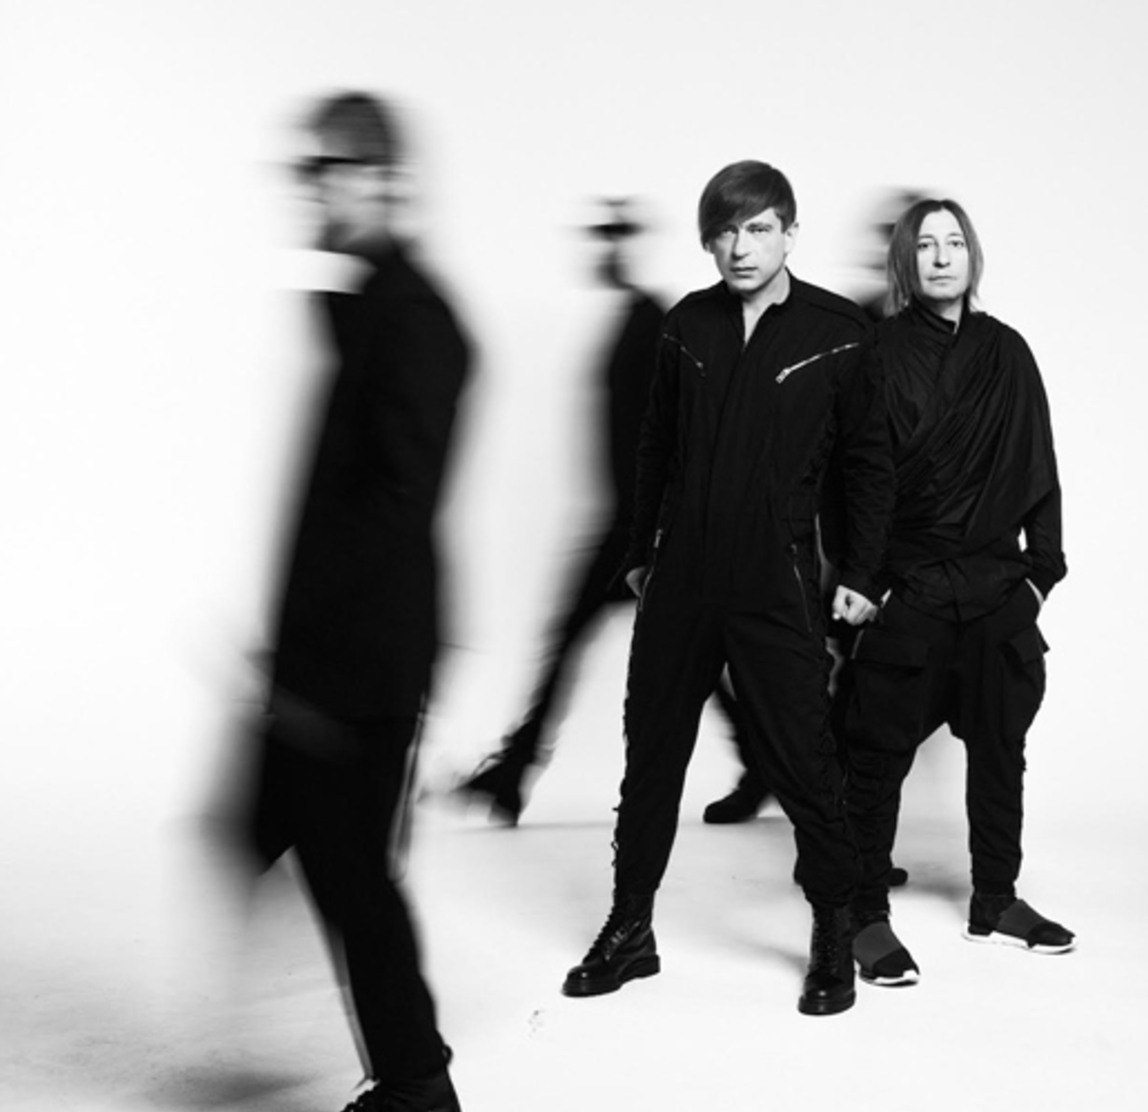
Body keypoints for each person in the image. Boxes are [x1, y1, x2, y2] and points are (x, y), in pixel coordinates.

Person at [561, 160, 885, 1016]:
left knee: (804, 763)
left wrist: (859, 573)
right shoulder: (686, 326)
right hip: (682, 581)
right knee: (651, 758)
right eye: (725, 232)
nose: (740, 247)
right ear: (708, 241)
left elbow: (866, 464)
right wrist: (641, 552)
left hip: (776, 579)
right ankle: (631, 928)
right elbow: (655, 446)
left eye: (758, 228)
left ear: (789, 233)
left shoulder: (838, 331)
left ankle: (832, 932)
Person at [246, 91, 469, 1112]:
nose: (315, 193)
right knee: (318, 852)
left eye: (331, 173)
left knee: (350, 871)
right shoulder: (373, 299)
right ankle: (413, 1074)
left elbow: (391, 508)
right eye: (309, 174)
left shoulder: (413, 318)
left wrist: (319, 671)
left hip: (362, 660)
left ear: (385, 182)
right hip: (334, 653)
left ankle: (417, 1080)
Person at [453, 200, 766, 827]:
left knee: (624, 646)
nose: (606, 250)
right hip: (632, 524)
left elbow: (685, 431)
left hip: (641, 530)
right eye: (601, 238)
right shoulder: (635, 320)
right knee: (679, 653)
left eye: (616, 238)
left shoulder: (654, 325)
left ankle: (514, 772)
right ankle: (762, 760)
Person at [839, 198, 1073, 990]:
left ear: (972, 256)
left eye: (954, 243)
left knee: (1002, 750)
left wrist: (1041, 573)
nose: (942, 257)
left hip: (998, 588)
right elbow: (860, 479)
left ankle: (995, 900)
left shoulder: (1007, 351)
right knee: (878, 756)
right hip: (912, 587)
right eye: (926, 245)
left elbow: (1040, 465)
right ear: (906, 262)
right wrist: (863, 582)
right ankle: (863, 913)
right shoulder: (877, 354)